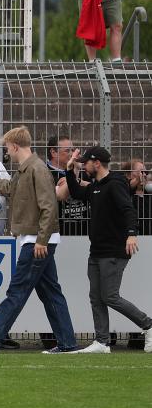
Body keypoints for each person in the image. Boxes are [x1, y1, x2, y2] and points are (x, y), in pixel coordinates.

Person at [0, 127, 78, 354]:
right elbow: (9, 189)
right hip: (38, 239)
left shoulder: (35, 169)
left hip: (36, 240)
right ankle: (67, 343)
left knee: (17, 289)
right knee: (50, 292)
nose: (7, 151)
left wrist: (41, 241)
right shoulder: (29, 168)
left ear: (15, 146)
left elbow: (49, 207)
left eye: (7, 147)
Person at [65, 147, 152, 354]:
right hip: (97, 251)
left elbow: (128, 209)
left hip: (114, 251)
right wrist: (70, 171)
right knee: (96, 297)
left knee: (110, 296)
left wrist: (132, 234)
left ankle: (148, 325)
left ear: (97, 163)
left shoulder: (114, 184)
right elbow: (77, 193)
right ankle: (102, 342)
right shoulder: (97, 186)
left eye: (86, 163)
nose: (83, 166)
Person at [46, 135, 90, 236]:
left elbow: (95, 189)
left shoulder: (83, 172)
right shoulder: (45, 173)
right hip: (57, 233)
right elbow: (61, 195)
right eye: (67, 151)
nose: (72, 154)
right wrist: (75, 174)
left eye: (73, 150)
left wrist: (77, 178)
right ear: (53, 152)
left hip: (84, 232)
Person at [124, 158, 152, 236]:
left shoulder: (149, 193)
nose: (144, 175)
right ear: (128, 174)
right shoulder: (124, 192)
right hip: (129, 237)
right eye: (140, 171)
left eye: (145, 172)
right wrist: (137, 181)